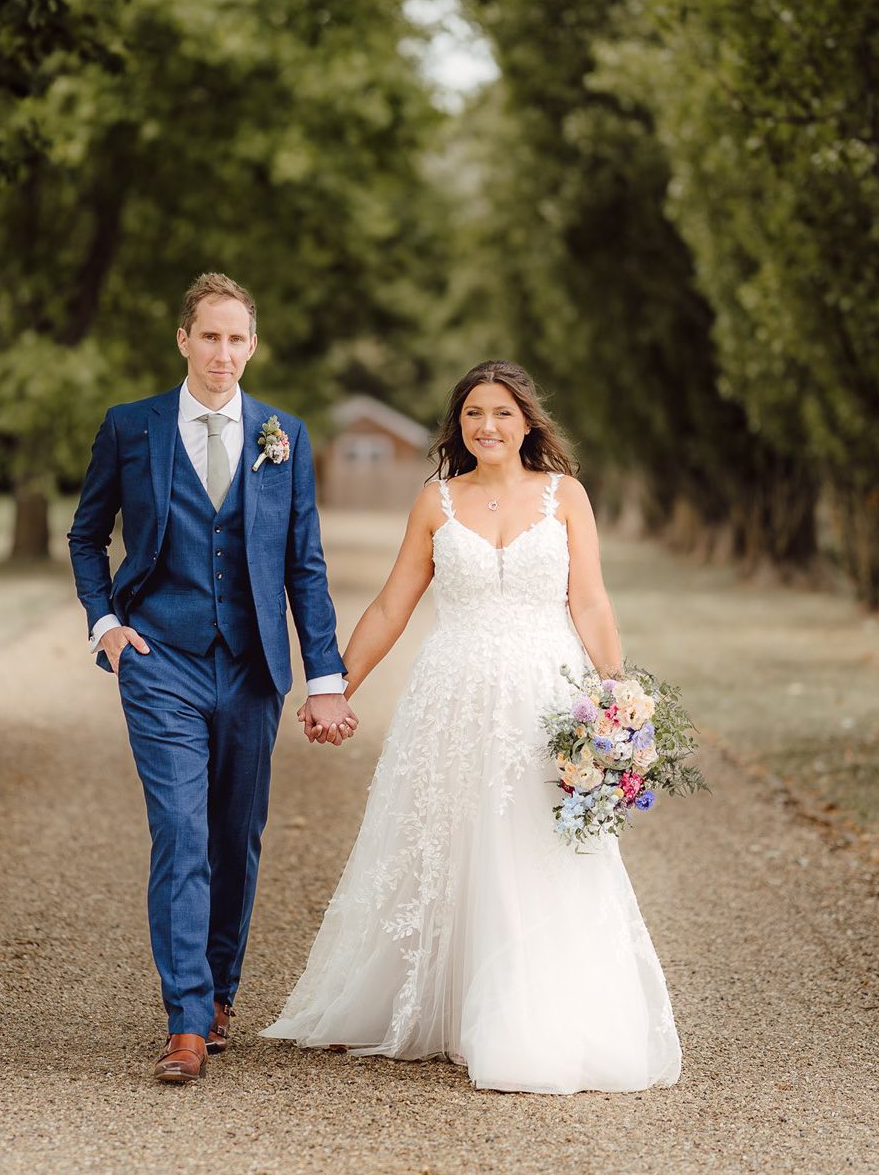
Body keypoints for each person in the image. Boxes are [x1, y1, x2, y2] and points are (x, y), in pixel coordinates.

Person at [264, 360, 681, 1094]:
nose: (487, 426)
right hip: (450, 698)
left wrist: (618, 701)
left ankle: (531, 1011)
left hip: (543, 699)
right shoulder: (437, 501)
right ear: (458, 426)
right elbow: (394, 606)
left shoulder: (566, 496)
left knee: (534, 844)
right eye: (473, 415)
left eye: (502, 413)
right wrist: (334, 688)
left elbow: (589, 603)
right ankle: (443, 1005)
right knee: (453, 840)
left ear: (527, 422)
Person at [68, 272, 357, 1084]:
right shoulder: (131, 428)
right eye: (209, 337)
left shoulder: (284, 437)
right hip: (160, 662)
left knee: (236, 835)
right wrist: (106, 624)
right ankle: (187, 1021)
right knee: (182, 834)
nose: (222, 353)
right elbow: (87, 536)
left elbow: (304, 566)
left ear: (252, 346)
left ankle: (222, 991)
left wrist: (324, 675)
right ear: (184, 341)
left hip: (253, 669)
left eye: (237, 339)